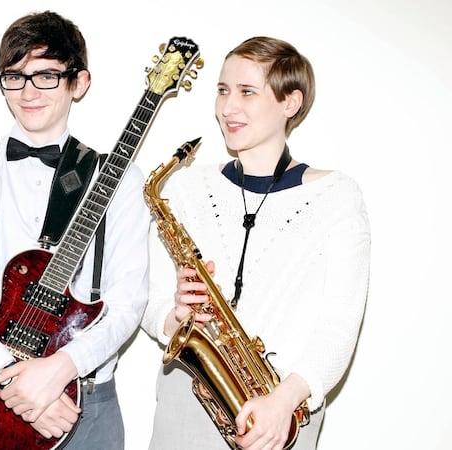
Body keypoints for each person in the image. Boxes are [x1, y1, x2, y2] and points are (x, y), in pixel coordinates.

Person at [0, 10, 149, 449]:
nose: (28, 91)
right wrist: (14, 381)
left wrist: (59, 370)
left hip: (85, 406)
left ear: (79, 82)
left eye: (46, 75)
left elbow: (129, 302)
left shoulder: (122, 177)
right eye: (15, 76)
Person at [141, 36, 370, 450]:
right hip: (186, 400)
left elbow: (339, 326)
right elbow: (150, 297)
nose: (228, 107)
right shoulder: (189, 187)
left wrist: (283, 401)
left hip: (282, 413)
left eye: (247, 92)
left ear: (290, 103)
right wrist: (174, 314)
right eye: (223, 90)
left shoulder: (337, 196)